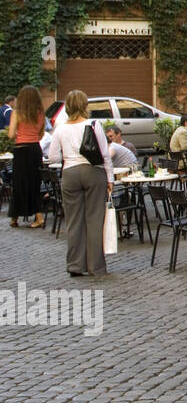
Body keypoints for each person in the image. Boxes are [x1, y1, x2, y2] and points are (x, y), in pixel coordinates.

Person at [47, 90, 114, 277]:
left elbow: (53, 156)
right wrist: (110, 179)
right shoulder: (93, 124)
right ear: (85, 106)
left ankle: (75, 265)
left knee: (73, 221)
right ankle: (96, 266)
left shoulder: (60, 128)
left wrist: (67, 158)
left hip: (70, 173)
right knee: (94, 220)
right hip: (93, 172)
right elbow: (104, 154)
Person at [7, 86, 46, 229]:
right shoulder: (40, 113)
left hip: (21, 149)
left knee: (19, 183)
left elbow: (11, 134)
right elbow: (41, 134)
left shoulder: (17, 113)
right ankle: (38, 216)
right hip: (35, 149)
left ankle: (14, 216)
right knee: (34, 183)